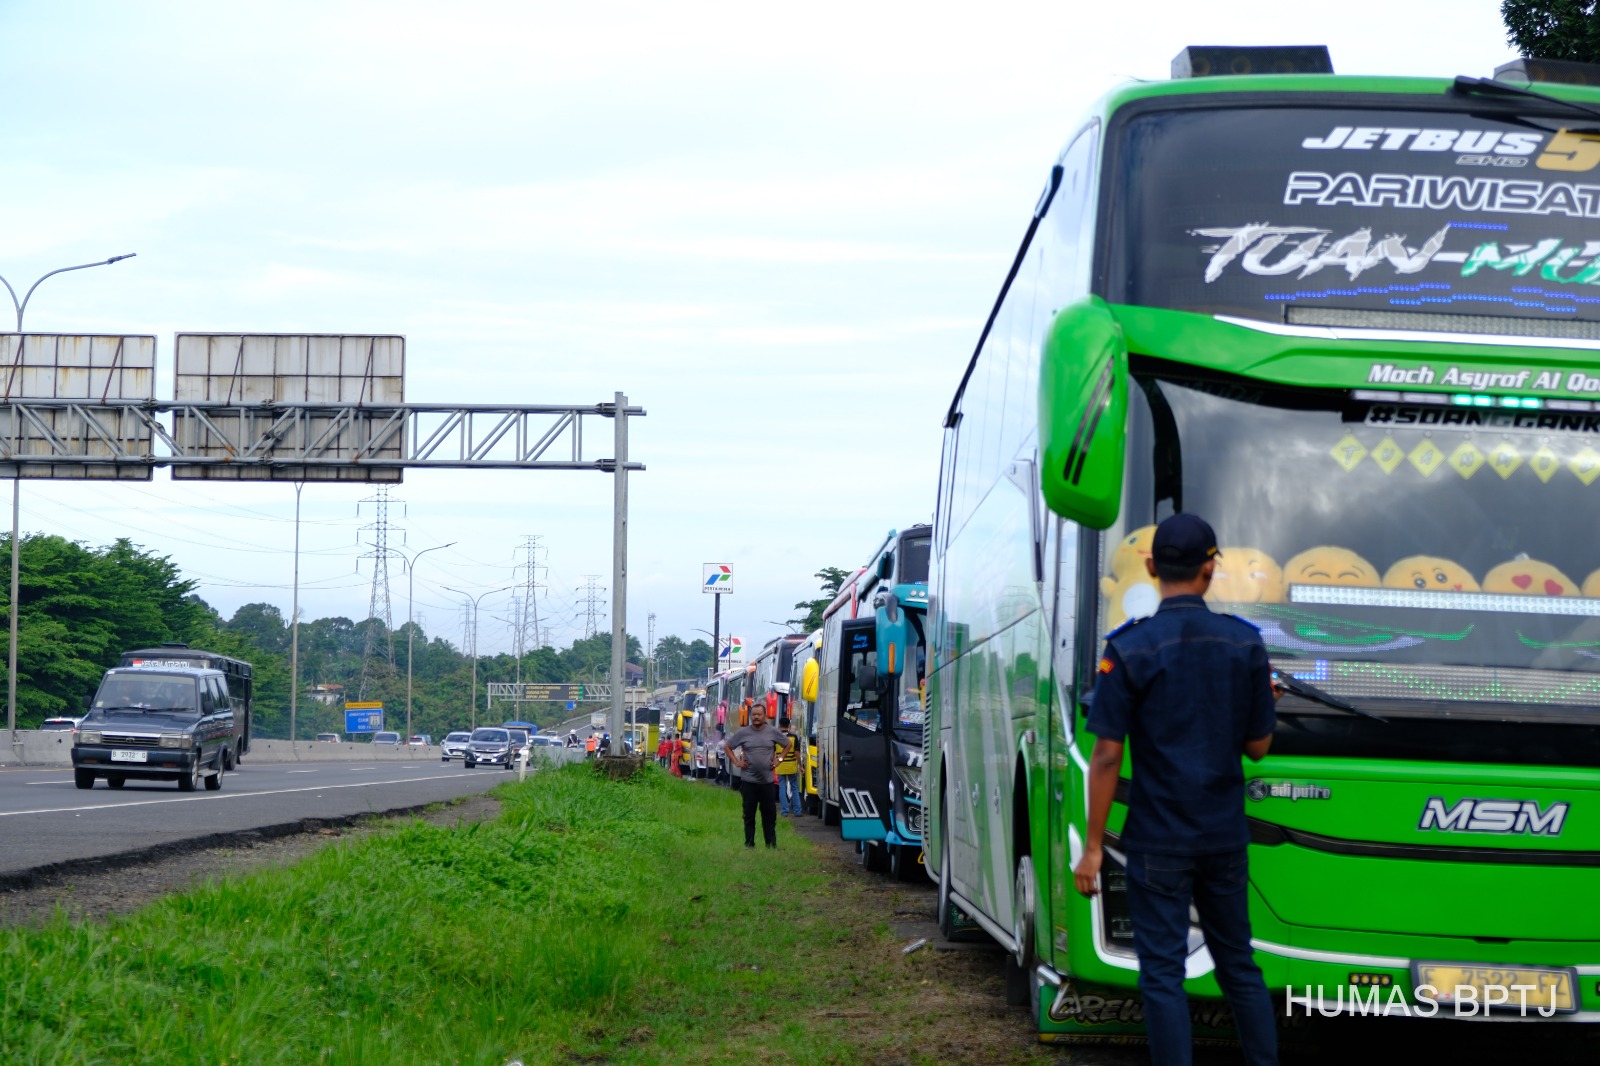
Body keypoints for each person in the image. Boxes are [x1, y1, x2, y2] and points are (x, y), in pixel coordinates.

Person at [1072, 513, 1280, 1066]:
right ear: (1211, 569)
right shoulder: (1245, 644)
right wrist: (1264, 700)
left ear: (1150, 566)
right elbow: (1258, 748)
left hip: (1157, 840)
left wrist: (1093, 848)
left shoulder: (1129, 647)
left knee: (1161, 971)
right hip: (1223, 838)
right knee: (1238, 962)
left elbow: (1108, 754)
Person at [724, 703, 785, 848]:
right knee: (749, 815)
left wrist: (779, 759)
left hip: (767, 782)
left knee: (769, 815)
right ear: (750, 716)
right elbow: (727, 746)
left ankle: (771, 844)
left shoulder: (772, 732)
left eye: (759, 714)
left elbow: (787, 744)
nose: (756, 717)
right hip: (748, 782)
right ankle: (749, 843)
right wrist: (737, 762)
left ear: (765, 716)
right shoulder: (743, 733)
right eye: (753, 714)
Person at [774, 716, 801, 815]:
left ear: (779, 725)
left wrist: (774, 764)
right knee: (794, 788)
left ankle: (784, 811)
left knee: (782, 787)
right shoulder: (793, 737)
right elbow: (797, 753)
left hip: (780, 766)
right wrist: (800, 765)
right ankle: (797, 811)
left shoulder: (776, 737)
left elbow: (773, 753)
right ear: (789, 726)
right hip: (791, 766)